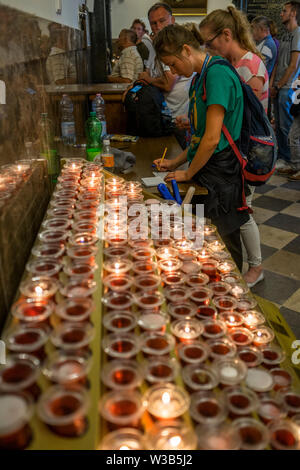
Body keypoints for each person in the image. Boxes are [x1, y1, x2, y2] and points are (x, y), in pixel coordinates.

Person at [153, 24, 249, 271]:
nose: (172, 71)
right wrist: (175, 163)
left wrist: (187, 173)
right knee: (206, 242)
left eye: (173, 64)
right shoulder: (199, 78)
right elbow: (199, 136)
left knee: (225, 247)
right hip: (207, 168)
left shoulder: (216, 74)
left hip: (222, 173)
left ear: (186, 50)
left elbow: (212, 139)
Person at [199, 5, 268, 288]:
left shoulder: (249, 64)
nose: (207, 47)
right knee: (239, 207)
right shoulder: (232, 65)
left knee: (243, 208)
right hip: (235, 151)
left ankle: (256, 266)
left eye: (209, 41)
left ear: (226, 34)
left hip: (246, 151)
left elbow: (239, 113)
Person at [139, 2, 193, 148]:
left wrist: (148, 79)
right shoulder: (155, 47)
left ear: (172, 20)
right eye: (153, 23)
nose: (157, 26)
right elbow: (148, 75)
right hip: (162, 117)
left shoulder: (171, 45)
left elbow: (169, 83)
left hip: (178, 120)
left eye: (162, 21)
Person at [270, 1, 300, 175]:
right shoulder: (285, 35)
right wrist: (273, 83)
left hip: (289, 86)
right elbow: (278, 64)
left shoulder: (297, 33)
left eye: (284, 11)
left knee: (286, 125)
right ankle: (283, 156)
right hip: (279, 86)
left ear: (293, 13)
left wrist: (280, 84)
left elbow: (293, 65)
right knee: (279, 124)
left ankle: (290, 159)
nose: (281, 14)